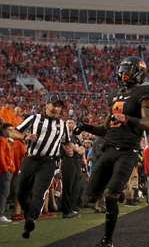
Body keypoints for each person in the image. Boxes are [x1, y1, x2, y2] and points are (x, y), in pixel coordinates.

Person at [73, 56, 149, 247]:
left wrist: (127, 119)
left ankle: (107, 240)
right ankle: (117, 186)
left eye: (128, 70)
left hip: (128, 151)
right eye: (123, 70)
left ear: (138, 72)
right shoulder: (114, 95)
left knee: (110, 197)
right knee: (92, 197)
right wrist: (84, 126)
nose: (123, 74)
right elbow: (104, 128)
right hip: (109, 148)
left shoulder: (145, 92)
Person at [11, 95, 80, 238]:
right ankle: (29, 217)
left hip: (49, 162)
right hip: (30, 159)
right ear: (46, 105)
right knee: (22, 194)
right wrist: (25, 137)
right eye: (54, 105)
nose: (56, 108)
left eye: (59, 106)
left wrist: (70, 149)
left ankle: (30, 220)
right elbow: (13, 131)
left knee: (39, 192)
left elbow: (67, 142)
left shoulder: (62, 125)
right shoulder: (34, 118)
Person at [60, 119, 86, 218]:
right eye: (68, 123)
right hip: (68, 161)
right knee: (68, 186)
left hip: (77, 162)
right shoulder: (64, 137)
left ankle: (71, 208)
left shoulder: (75, 138)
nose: (71, 124)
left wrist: (77, 150)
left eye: (72, 123)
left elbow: (82, 151)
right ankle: (66, 211)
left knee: (75, 187)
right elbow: (70, 151)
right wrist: (77, 150)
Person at [0, 123, 16, 223]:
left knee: (5, 192)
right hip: (4, 170)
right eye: (9, 130)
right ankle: (0, 215)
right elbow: (1, 156)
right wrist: (6, 168)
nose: (11, 132)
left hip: (7, 170)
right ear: (3, 130)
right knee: (4, 192)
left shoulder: (5, 140)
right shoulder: (2, 140)